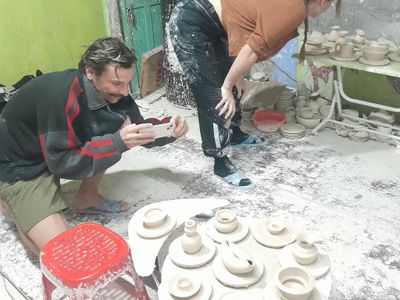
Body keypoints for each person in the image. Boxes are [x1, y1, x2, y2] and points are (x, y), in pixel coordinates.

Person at [0, 37, 188, 254]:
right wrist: (117, 142)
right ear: (90, 72)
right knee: (58, 253)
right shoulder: (59, 97)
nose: (125, 91)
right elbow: (62, 164)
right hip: (20, 164)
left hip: (53, 148)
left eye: (128, 82)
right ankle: (8, 203)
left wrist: (169, 130)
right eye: (117, 83)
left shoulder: (115, 94)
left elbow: (137, 128)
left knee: (115, 133)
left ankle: (86, 198)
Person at [168, 0, 340, 187]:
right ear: (322, 1)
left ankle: (235, 135)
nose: (327, 9)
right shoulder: (294, 8)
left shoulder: (296, 6)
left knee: (236, 84)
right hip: (192, 20)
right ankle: (220, 162)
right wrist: (225, 86)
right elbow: (251, 50)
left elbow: (244, 29)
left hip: (220, 24)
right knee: (215, 95)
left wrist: (236, 78)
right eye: (329, 4)